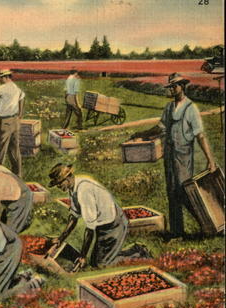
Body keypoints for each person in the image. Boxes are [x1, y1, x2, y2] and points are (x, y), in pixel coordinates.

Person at [130, 73, 217, 238]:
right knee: (172, 192)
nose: (172, 89)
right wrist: (140, 134)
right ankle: (177, 232)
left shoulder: (191, 108)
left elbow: (201, 136)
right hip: (170, 155)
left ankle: (207, 224)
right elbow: (159, 128)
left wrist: (210, 161)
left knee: (185, 192)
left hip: (184, 156)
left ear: (182, 87)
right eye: (170, 87)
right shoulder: (169, 108)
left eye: (175, 86)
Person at [46, 163, 150, 272]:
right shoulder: (73, 188)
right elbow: (74, 216)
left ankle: (139, 253)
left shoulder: (83, 191)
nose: (58, 187)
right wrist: (60, 239)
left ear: (67, 178)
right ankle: (133, 251)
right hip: (102, 225)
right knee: (94, 262)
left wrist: (82, 256)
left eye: (59, 183)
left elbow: (90, 230)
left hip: (113, 224)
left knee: (102, 266)